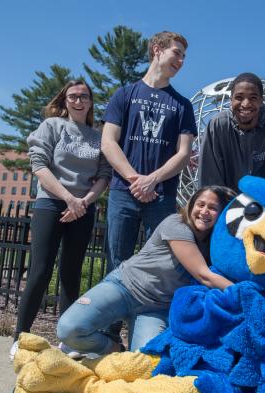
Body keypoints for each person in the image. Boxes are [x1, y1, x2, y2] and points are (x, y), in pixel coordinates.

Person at [56, 186, 236, 354]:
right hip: (124, 287)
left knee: (147, 360)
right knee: (68, 330)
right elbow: (203, 275)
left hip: (156, 309)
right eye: (201, 204)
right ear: (191, 205)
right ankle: (113, 349)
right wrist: (243, 293)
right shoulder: (176, 224)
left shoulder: (216, 245)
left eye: (212, 208)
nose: (204, 211)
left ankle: (120, 356)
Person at [10, 80, 112, 360]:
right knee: (39, 272)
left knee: (70, 274)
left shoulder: (98, 136)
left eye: (84, 96)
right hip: (51, 204)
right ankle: (19, 338)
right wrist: (69, 198)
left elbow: (104, 175)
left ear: (91, 102)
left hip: (83, 208)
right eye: (73, 96)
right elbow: (39, 167)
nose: (78, 101)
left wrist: (83, 202)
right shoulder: (52, 126)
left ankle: (68, 341)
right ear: (64, 101)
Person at [101, 30, 197, 272]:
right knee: (117, 263)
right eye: (177, 53)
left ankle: (147, 312)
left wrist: (152, 180)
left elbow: (184, 153)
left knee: (159, 264)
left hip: (162, 195)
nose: (181, 61)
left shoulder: (183, 105)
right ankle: (117, 311)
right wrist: (137, 181)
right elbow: (108, 143)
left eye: (184, 56)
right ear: (157, 50)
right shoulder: (124, 95)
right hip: (124, 191)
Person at [197, 72, 265, 193]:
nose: (246, 104)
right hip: (224, 205)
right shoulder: (217, 126)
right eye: (239, 97)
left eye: (253, 98)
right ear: (231, 100)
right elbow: (209, 179)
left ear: (261, 100)